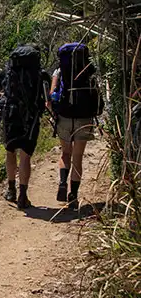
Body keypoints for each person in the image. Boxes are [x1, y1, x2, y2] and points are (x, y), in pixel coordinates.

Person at [0, 45, 50, 210]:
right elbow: (47, 99)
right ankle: (23, 195)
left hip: (11, 117)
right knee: (25, 157)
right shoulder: (41, 75)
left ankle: (11, 190)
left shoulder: (6, 74)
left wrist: (7, 96)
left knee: (10, 153)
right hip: (31, 118)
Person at [49, 42, 103, 209]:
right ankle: (73, 196)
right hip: (84, 117)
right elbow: (97, 95)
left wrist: (55, 113)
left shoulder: (59, 71)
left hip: (65, 116)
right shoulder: (89, 70)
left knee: (66, 153)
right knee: (78, 157)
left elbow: (51, 95)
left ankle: (63, 182)